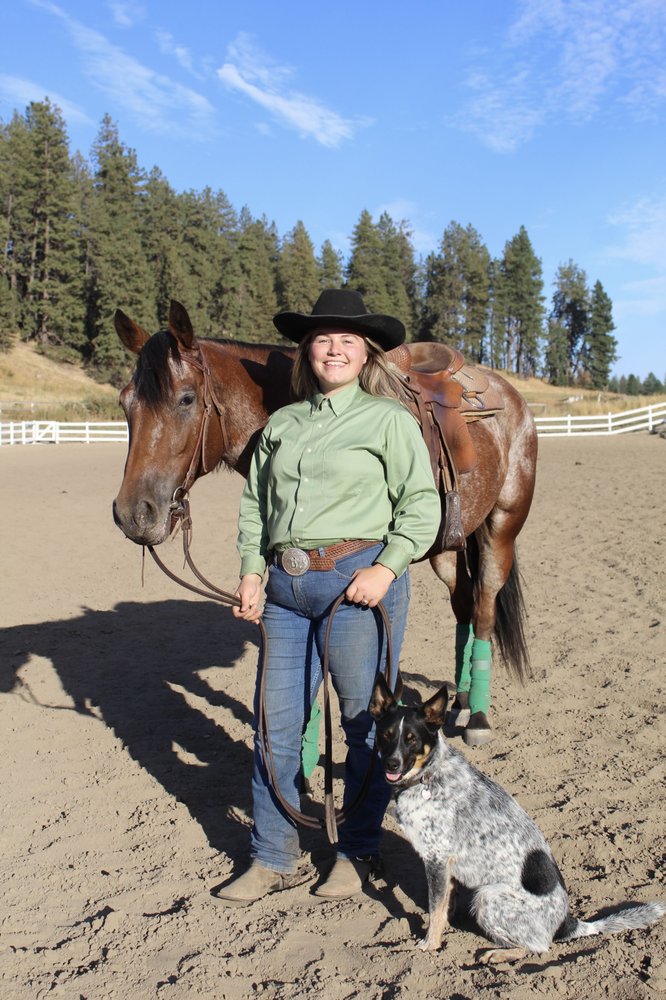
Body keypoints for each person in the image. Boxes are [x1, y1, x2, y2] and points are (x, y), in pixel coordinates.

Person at [215, 289, 441, 904]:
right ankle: (271, 854)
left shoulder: (388, 421)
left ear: (364, 351)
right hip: (284, 590)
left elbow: (421, 506)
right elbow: (256, 507)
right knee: (276, 722)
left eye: (346, 339)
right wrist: (250, 571)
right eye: (322, 338)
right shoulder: (281, 426)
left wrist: (388, 567)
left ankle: (356, 851)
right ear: (306, 350)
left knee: (365, 723)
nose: (334, 349)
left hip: (357, 585)